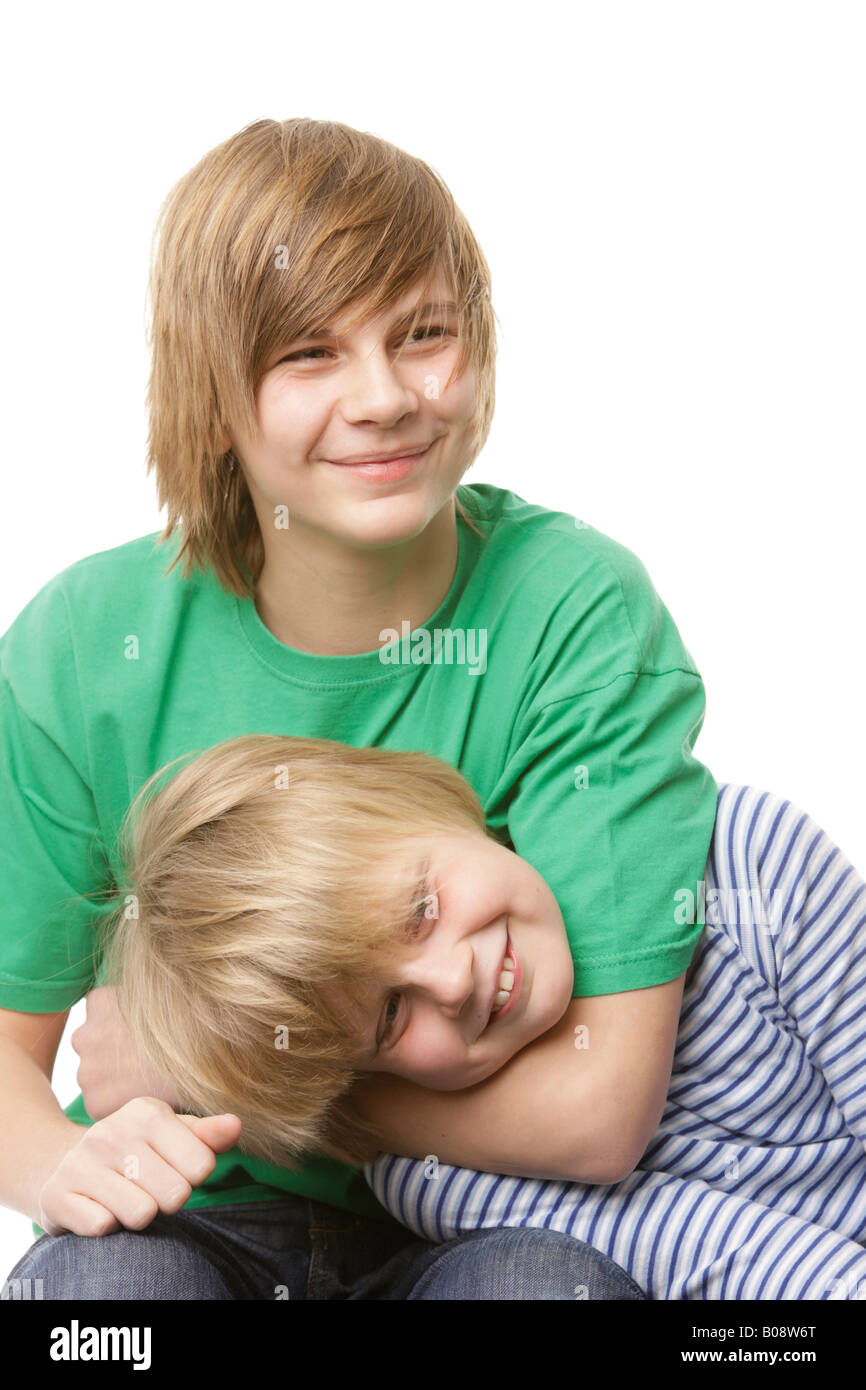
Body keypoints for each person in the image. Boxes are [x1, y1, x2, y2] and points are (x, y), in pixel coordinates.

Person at [0, 115, 717, 1300]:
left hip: (484, 1224)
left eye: (423, 334)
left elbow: (596, 1110)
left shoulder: (574, 610)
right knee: (99, 1295)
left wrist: (218, 1077)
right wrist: (64, 1164)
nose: (384, 397)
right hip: (195, 1216)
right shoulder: (86, 646)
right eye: (309, 354)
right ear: (212, 396)